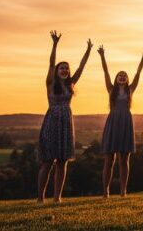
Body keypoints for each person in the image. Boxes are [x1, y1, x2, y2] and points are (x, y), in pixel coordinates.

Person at [37, 30, 92, 203]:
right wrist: (55, 44)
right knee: (48, 161)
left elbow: (82, 67)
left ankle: (57, 197)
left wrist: (88, 50)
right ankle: (40, 198)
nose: (65, 70)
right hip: (52, 122)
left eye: (66, 68)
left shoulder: (71, 83)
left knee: (62, 162)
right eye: (62, 68)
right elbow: (51, 63)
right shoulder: (50, 82)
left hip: (66, 124)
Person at [97, 45, 143, 198]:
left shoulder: (130, 90)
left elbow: (138, 73)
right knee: (109, 159)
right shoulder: (111, 89)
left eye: (125, 75)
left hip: (126, 123)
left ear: (127, 79)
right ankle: (106, 191)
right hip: (113, 123)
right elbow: (105, 71)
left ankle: (123, 191)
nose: (122, 76)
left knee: (124, 160)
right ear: (116, 78)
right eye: (120, 75)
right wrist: (102, 56)